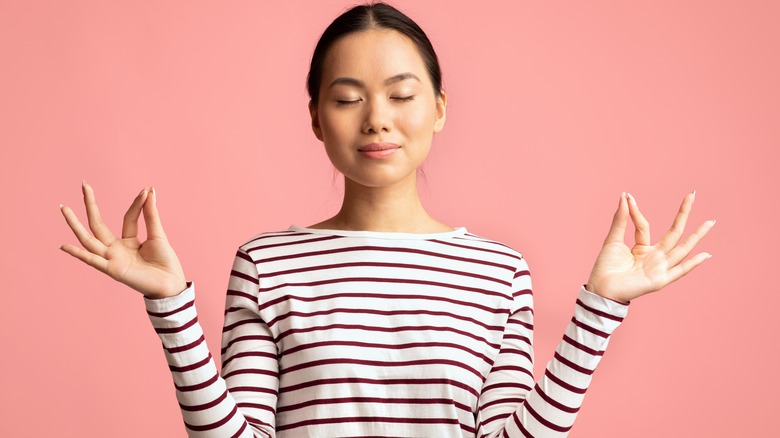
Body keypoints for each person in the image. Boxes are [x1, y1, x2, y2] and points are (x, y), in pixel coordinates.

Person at [58, 2, 715, 437]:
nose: (376, 118)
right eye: (347, 98)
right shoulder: (267, 263)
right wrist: (172, 306)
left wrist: (601, 308)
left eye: (402, 95)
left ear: (439, 108)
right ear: (316, 117)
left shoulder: (498, 271)